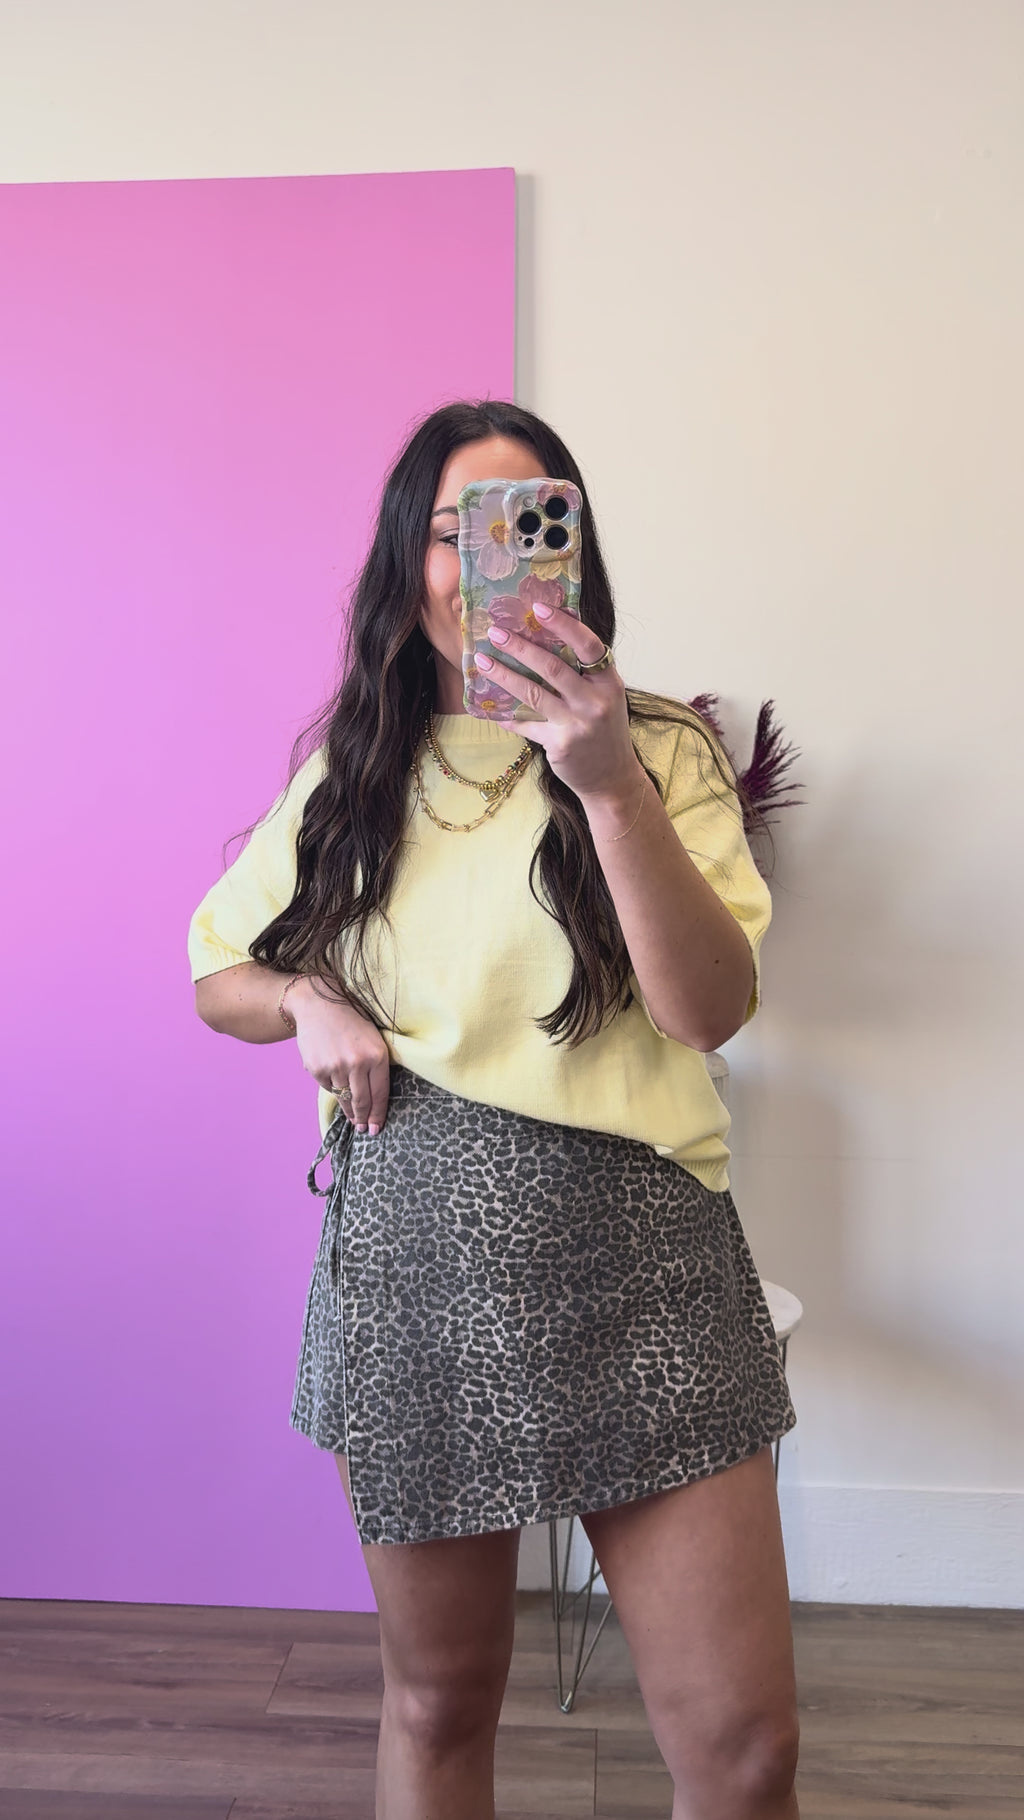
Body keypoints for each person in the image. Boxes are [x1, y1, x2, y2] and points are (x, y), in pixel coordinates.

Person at [188, 399, 801, 1820]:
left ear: (571, 551)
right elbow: (219, 971)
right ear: (410, 562)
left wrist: (604, 779)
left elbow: (710, 1008)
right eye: (458, 530)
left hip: (646, 1271)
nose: (492, 561)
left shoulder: (658, 752)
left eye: (530, 521)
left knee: (745, 1753)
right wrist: (306, 1000)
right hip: (417, 1278)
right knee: (439, 1703)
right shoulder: (354, 773)